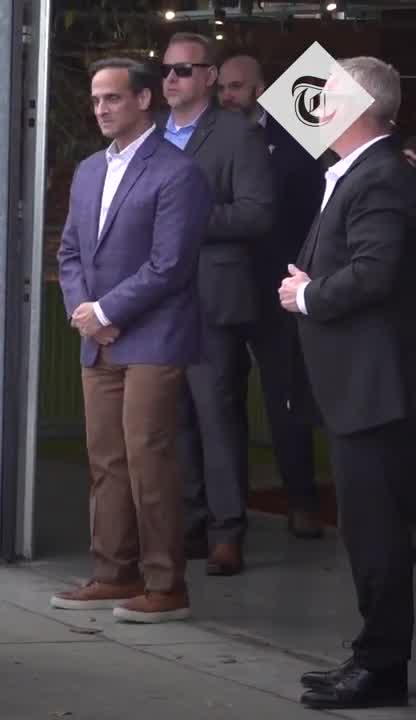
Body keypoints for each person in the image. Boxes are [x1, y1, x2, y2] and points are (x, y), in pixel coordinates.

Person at [50, 57, 211, 623]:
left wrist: (109, 309)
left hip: (155, 338)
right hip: (98, 339)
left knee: (149, 460)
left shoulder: (177, 172)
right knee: (106, 461)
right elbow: (70, 252)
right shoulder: (90, 169)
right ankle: (112, 573)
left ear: (145, 100)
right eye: (95, 100)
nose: (100, 109)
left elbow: (171, 266)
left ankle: (167, 586)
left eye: (112, 98)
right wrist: (84, 311)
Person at [282, 57, 414, 711]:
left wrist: (307, 295)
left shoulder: (382, 174)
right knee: (370, 533)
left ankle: (381, 667)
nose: (312, 101)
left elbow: (375, 273)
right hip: (358, 386)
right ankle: (374, 656)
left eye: (325, 93)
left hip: (374, 389)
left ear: (355, 105)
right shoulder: (361, 171)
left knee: (379, 535)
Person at [158, 34, 275, 576]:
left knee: (217, 415)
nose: (172, 79)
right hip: (158, 301)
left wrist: (186, 224)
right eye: (167, 71)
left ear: (210, 76)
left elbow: (256, 214)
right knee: (173, 416)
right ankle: (192, 524)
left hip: (214, 294)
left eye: (185, 70)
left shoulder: (238, 134)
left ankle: (229, 530)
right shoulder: (151, 134)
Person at [217, 54, 325, 540]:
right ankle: (227, 514)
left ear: (262, 87)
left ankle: (302, 502)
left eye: (237, 86)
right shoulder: (209, 137)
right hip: (221, 288)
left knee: (287, 399)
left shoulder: (297, 139)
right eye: (222, 86)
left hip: (278, 288)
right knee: (221, 402)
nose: (228, 95)